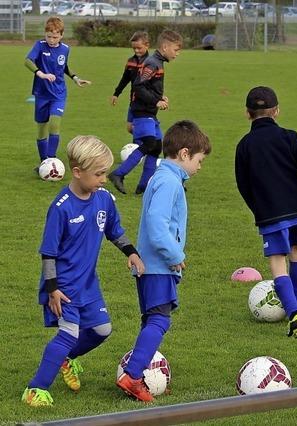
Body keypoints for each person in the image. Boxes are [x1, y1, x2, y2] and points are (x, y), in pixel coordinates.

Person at [22, 136, 144, 407]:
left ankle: (68, 359)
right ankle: (35, 388)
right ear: (77, 172)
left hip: (88, 283)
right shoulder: (61, 207)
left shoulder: (104, 199)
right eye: (99, 173)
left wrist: (132, 253)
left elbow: (115, 231)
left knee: (102, 330)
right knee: (67, 334)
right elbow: (48, 252)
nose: (104, 178)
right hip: (63, 286)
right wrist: (52, 288)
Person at [116, 120, 211, 402]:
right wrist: (175, 255)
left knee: (151, 320)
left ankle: (139, 375)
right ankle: (132, 376)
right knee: (159, 320)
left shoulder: (162, 177)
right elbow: (158, 224)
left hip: (150, 266)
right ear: (184, 154)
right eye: (199, 160)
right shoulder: (170, 182)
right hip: (159, 266)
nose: (199, 166)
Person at [236, 87, 297, 338]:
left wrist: (257, 208)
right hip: (296, 209)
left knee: (278, 261)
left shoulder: (244, 145)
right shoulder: (289, 137)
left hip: (269, 213)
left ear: (248, 113)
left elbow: (243, 184)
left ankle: (293, 312)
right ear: (276, 111)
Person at [108, 30, 183, 195]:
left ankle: (142, 187)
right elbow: (138, 86)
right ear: (165, 47)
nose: (178, 54)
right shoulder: (152, 63)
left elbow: (148, 86)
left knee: (156, 147)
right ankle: (118, 174)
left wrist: (160, 97)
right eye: (176, 50)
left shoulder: (157, 62)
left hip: (150, 112)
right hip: (142, 111)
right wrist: (156, 101)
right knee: (149, 144)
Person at [25, 17, 91, 171]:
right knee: (41, 129)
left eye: (55, 37)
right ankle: (44, 162)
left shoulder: (65, 49)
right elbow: (28, 61)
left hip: (58, 94)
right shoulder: (40, 46)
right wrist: (40, 74)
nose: (51, 40)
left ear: (61, 35)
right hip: (42, 93)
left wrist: (75, 78)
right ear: (45, 34)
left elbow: (64, 66)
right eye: (49, 36)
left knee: (54, 124)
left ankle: (51, 159)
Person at [111, 31, 150, 136]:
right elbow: (125, 78)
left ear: (147, 45)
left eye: (139, 48)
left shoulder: (151, 63)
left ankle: (145, 145)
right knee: (130, 128)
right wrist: (116, 93)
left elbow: (156, 83)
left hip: (146, 102)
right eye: (134, 48)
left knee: (139, 127)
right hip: (133, 100)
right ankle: (148, 141)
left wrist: (159, 96)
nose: (136, 51)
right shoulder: (131, 61)